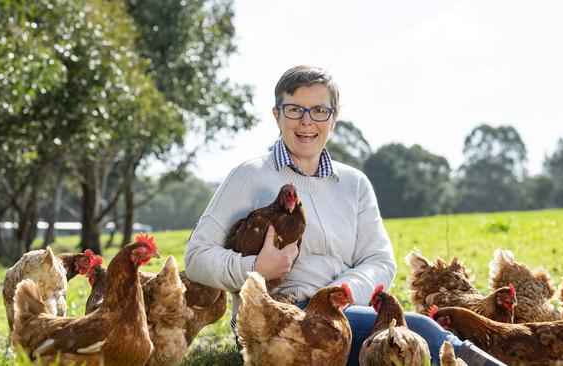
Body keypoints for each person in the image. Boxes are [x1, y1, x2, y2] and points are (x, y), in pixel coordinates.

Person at [184, 65, 504, 365]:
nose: (307, 121)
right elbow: (197, 256)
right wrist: (255, 269)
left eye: (319, 111)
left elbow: (380, 261)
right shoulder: (250, 175)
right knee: (420, 331)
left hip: (340, 318)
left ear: (333, 118)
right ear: (277, 115)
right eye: (295, 109)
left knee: (408, 339)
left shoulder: (354, 184)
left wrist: (335, 299)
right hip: (275, 322)